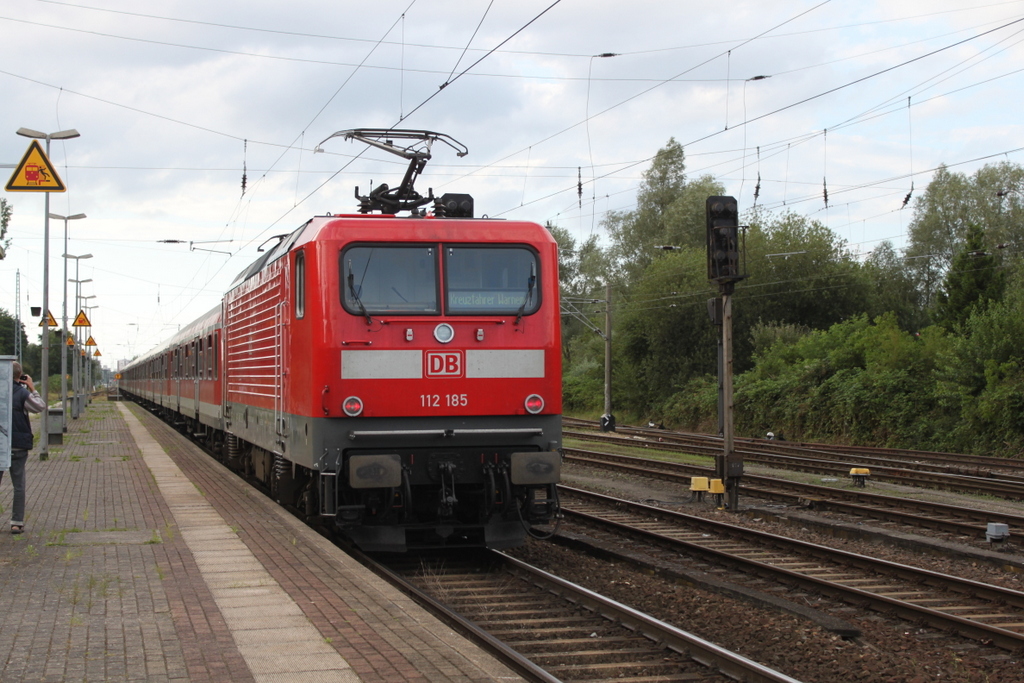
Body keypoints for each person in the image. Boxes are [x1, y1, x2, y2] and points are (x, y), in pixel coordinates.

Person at [0, 362, 46, 534]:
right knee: (18, 485)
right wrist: (32, 388)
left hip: (0, 445)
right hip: (18, 445)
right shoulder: (22, 392)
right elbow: (40, 407)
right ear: (20, 376)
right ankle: (16, 522)